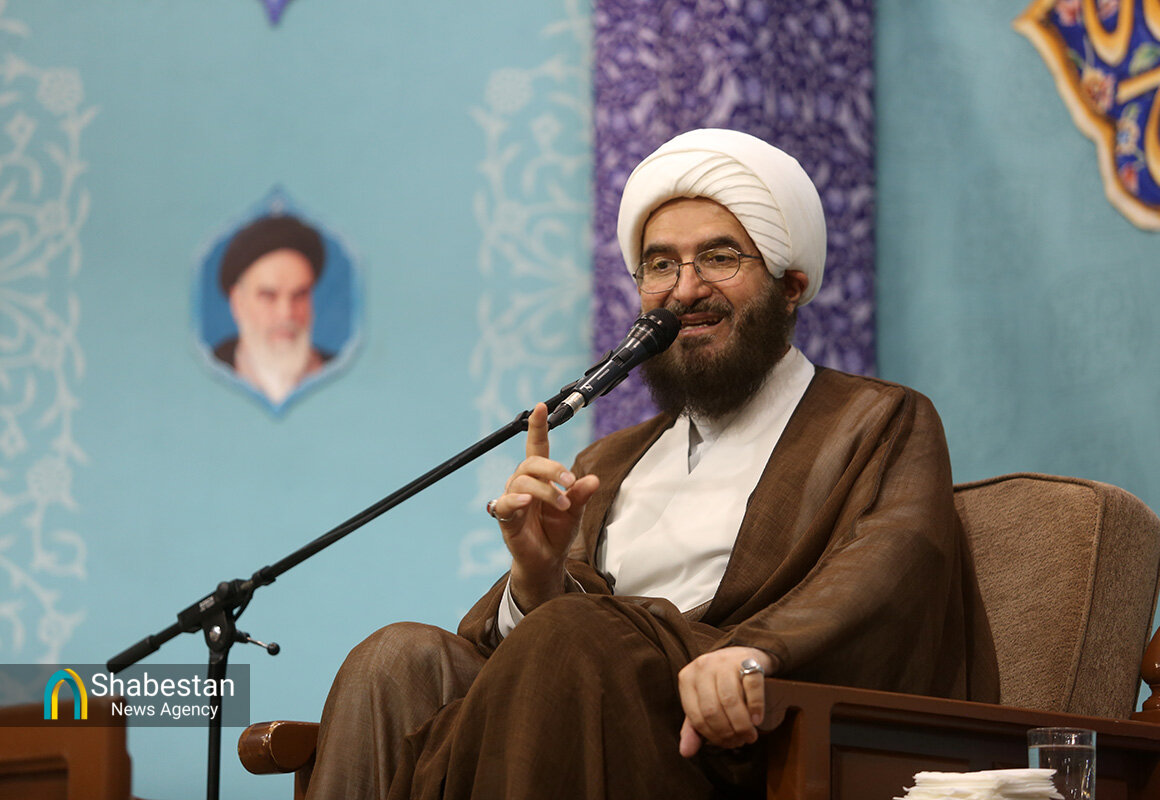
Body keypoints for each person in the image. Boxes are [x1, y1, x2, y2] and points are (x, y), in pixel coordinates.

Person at [307, 129, 998, 800]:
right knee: (395, 660)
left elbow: (888, 566)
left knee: (569, 635)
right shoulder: (610, 459)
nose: (684, 290)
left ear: (790, 286)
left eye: (719, 258)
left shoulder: (875, 420)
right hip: (579, 707)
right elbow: (547, 641)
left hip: (741, 739)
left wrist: (754, 654)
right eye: (661, 265)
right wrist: (538, 578)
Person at [213, 214, 333, 405]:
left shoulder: (338, 373)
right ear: (238, 303)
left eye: (299, 295)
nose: (286, 314)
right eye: (269, 296)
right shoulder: (210, 373)